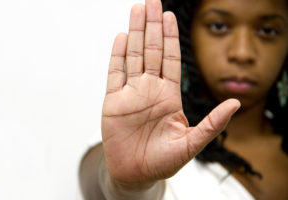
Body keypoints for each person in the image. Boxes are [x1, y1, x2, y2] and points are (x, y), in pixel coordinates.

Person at [78, 0, 288, 199]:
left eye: (267, 31)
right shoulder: (147, 135)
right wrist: (130, 186)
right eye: (219, 26)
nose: (242, 53)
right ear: (188, 30)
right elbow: (100, 185)